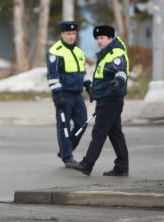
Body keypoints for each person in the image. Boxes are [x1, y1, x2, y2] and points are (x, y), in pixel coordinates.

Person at [73, 25, 130, 177]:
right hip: (107, 97)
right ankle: (122, 166)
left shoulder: (115, 53)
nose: (99, 41)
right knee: (115, 133)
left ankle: (87, 164)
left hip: (111, 99)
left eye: (102, 38)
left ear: (110, 38)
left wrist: (118, 82)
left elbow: (121, 72)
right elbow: (103, 76)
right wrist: (94, 91)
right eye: (97, 38)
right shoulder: (106, 54)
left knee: (99, 132)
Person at [46, 21, 93, 168]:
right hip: (63, 94)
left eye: (73, 33)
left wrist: (89, 87)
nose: (71, 36)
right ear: (62, 34)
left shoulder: (79, 51)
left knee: (82, 123)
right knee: (64, 126)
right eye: (68, 34)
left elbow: (83, 72)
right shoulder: (55, 51)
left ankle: (66, 149)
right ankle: (67, 157)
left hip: (77, 94)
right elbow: (52, 75)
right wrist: (58, 94)